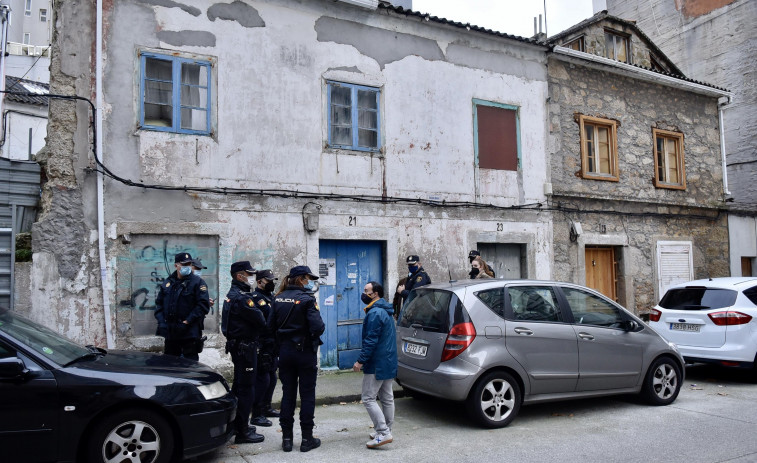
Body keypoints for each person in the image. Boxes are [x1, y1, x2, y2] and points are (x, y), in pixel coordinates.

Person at [268, 266, 325, 453]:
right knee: (307, 395)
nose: (309, 281)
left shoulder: (277, 298)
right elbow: (318, 327)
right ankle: (307, 440)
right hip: (304, 353)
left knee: (288, 395)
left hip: (285, 353)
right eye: (308, 278)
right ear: (301, 279)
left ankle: (286, 439)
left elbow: (269, 327)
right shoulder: (307, 300)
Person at [223, 261, 266, 444]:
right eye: (249, 274)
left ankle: (236, 425)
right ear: (239, 276)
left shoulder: (233, 295)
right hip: (245, 348)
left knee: (239, 387)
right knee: (246, 389)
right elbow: (260, 319)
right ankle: (243, 431)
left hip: (239, 346)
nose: (252, 277)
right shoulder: (241, 298)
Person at [352, 281, 397, 449]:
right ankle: (386, 430)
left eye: (366, 291)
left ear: (375, 293)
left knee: (368, 398)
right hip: (388, 359)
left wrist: (360, 360)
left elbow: (370, 341)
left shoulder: (375, 313)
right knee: (387, 397)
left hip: (377, 362)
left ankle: (383, 433)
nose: (364, 293)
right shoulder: (384, 310)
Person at [154, 252, 210, 361]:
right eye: (184, 264)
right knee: (170, 365)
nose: (187, 267)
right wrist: (162, 323)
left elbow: (203, 305)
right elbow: (159, 304)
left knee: (189, 367)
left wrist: (187, 322)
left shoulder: (197, 282)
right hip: (171, 333)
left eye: (189, 264)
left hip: (189, 333)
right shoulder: (168, 282)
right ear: (176, 265)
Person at [250, 269, 281, 427]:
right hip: (263, 343)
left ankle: (267, 407)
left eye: (272, 280)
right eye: (268, 280)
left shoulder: (271, 297)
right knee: (263, 379)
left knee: (272, 377)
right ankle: (256, 414)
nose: (271, 283)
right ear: (260, 281)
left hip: (273, 343)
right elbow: (266, 319)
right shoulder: (256, 298)